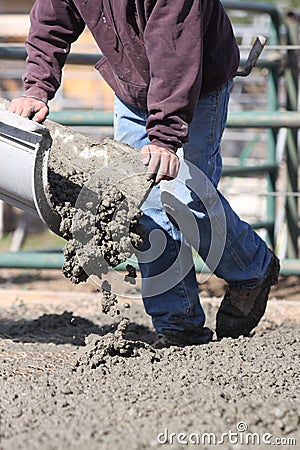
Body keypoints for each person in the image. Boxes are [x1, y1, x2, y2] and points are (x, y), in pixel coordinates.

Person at [9, 0, 280, 347]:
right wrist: (37, 87)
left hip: (195, 84)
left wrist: (165, 137)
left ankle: (252, 269)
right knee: (140, 206)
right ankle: (178, 326)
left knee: (185, 196)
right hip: (132, 88)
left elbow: (177, 49)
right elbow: (51, 21)